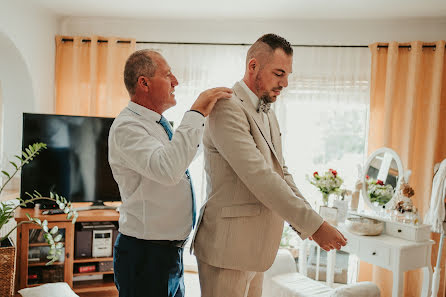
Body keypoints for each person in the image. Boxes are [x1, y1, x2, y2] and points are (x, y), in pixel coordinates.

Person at [192, 34, 347, 297]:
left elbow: (281, 173)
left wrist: (312, 223)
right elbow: (259, 176)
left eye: (287, 75)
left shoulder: (267, 113)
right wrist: (316, 226)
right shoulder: (227, 108)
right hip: (227, 251)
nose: (285, 83)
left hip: (256, 250)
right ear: (253, 66)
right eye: (279, 73)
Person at [108, 49, 232, 297]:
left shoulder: (154, 125)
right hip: (145, 257)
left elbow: (180, 157)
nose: (176, 81)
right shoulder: (127, 127)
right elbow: (169, 169)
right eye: (168, 75)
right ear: (144, 82)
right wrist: (195, 113)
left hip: (167, 255)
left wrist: (209, 121)